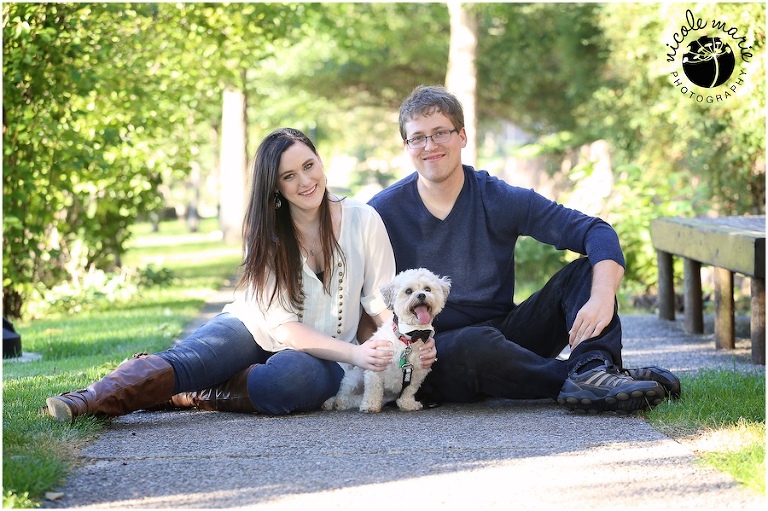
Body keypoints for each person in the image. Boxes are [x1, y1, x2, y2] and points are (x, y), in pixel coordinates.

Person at [46, 127, 438, 421]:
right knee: (195, 357)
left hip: (328, 349)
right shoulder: (267, 233)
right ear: (276, 187)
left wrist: (409, 342)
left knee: (285, 384)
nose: (305, 182)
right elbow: (282, 328)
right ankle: (86, 400)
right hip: (255, 325)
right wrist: (358, 353)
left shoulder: (363, 219)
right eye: (289, 176)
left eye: (309, 165)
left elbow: (382, 301)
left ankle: (189, 392)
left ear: (320, 162)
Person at [367, 85, 681, 414]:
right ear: (406, 146)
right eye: (418, 137)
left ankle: (591, 368)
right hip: (432, 352)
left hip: (508, 334)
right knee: (473, 342)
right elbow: (363, 289)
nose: (429, 145)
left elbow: (595, 231)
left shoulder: (498, 198)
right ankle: (593, 378)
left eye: (440, 133)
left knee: (585, 272)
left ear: (462, 136)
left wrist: (601, 296)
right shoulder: (383, 211)